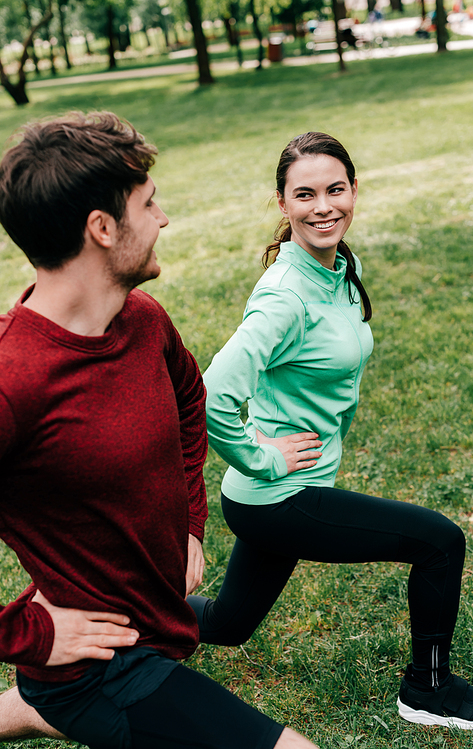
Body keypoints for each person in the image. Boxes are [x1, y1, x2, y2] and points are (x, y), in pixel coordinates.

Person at [0, 111, 317, 749]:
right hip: (95, 671)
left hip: (153, 621)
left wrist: (191, 524)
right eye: (150, 204)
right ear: (102, 228)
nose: (164, 219)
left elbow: (188, 401)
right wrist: (27, 636)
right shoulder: (14, 378)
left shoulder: (141, 317)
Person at [188, 131, 473, 730]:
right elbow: (211, 397)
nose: (324, 206)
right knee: (439, 542)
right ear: (282, 203)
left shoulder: (337, 265)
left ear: (355, 190)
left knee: (229, 625)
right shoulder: (284, 296)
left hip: (270, 495)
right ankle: (428, 691)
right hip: (278, 494)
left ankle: (126, 611)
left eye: (336, 189)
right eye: (305, 194)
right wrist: (265, 458)